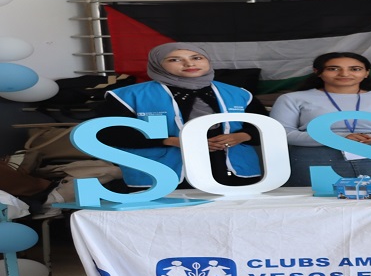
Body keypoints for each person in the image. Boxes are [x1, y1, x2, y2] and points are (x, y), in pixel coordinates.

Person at [98, 43, 267, 190]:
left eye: (197, 58)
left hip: (235, 172)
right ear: (157, 64)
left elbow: (267, 128)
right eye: (174, 59)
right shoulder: (127, 96)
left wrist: (241, 136)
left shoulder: (239, 94)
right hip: (161, 174)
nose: (189, 63)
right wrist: (172, 141)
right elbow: (109, 134)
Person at [269, 52, 371, 186]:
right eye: (333, 69)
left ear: (366, 73)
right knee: (316, 204)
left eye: (355, 69)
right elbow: (282, 133)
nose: (344, 74)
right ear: (317, 72)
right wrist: (340, 137)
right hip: (316, 158)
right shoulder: (293, 98)